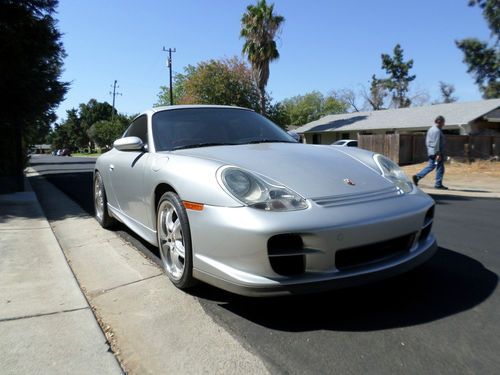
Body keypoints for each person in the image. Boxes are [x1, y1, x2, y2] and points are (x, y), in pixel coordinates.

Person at [412, 115, 448, 190]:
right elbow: (436, 143)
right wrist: (438, 154)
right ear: (440, 122)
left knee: (432, 166)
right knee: (439, 168)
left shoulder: (431, 129)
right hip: (436, 153)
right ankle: (438, 184)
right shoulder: (436, 130)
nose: (444, 124)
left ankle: (418, 177)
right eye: (443, 122)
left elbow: (428, 142)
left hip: (432, 152)